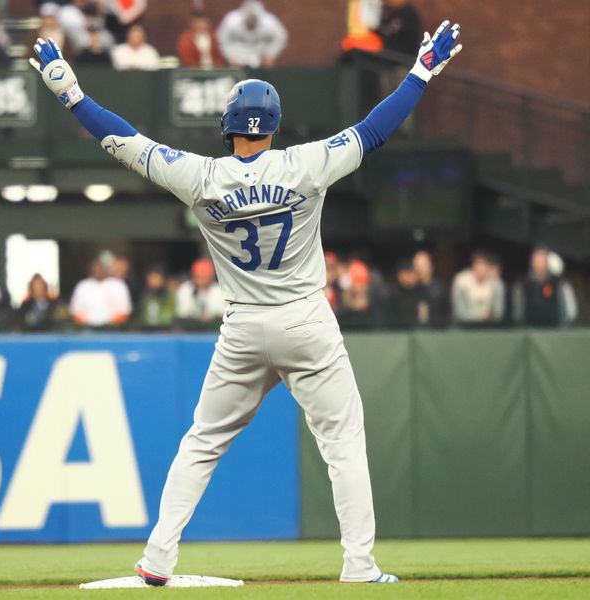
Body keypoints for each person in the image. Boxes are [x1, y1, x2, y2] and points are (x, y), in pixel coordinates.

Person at [29, 18, 462, 584]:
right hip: (307, 317)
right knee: (343, 444)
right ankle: (359, 565)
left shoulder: (200, 176)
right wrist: (420, 71)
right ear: (274, 125)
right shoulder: (304, 164)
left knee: (202, 442)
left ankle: (158, 557)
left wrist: (70, 92)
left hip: (243, 324)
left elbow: (124, 141)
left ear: (226, 125)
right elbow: (374, 130)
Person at [512, 245, 575, 327]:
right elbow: (518, 312)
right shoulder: (522, 284)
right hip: (529, 332)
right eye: (536, 258)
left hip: (555, 331)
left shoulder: (560, 283)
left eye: (542, 258)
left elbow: (570, 312)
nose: (538, 261)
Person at [216, 0, 287, 68]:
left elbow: (280, 37)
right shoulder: (231, 20)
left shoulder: (269, 22)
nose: (251, 20)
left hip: (260, 57)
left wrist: (270, 55)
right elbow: (222, 38)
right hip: (238, 56)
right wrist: (231, 57)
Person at [69, 258, 131, 327]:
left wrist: (108, 325)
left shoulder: (118, 285)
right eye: (96, 268)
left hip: (113, 330)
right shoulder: (82, 286)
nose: (98, 270)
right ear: (91, 270)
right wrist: (87, 325)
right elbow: (75, 312)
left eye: (101, 268)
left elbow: (125, 312)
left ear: (106, 269)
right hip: (86, 330)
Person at [451, 250, 505, 325]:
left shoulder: (496, 284)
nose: (481, 268)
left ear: (488, 266)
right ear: (473, 266)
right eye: (478, 264)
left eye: (484, 265)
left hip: (489, 326)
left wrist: (489, 317)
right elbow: (460, 312)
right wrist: (478, 318)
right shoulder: (461, 281)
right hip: (466, 326)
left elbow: (498, 312)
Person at [174, 258, 226, 323]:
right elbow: (183, 315)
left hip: (214, 327)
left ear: (211, 277)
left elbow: (221, 314)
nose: (202, 280)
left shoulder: (219, 290)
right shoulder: (185, 289)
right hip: (190, 327)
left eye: (205, 277)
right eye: (199, 276)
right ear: (193, 276)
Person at [412, 249, 447, 325]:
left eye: (423, 265)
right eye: (417, 265)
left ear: (431, 266)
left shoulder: (439, 288)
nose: (419, 269)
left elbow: (444, 313)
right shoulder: (411, 289)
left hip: (436, 330)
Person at [384, 259, 422, 327]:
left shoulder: (423, 293)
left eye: (410, 273)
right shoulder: (392, 295)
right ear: (399, 276)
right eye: (405, 273)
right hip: (398, 333)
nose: (408, 277)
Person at [137, 265, 175, 329]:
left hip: (165, 332)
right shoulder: (144, 299)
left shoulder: (169, 298)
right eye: (151, 278)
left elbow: (169, 319)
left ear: (163, 280)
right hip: (146, 332)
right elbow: (141, 319)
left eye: (157, 278)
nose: (154, 281)